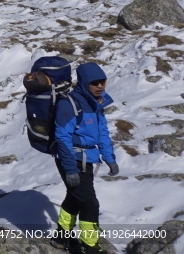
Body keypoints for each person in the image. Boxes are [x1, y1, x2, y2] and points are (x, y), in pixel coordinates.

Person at [52, 62, 118, 254]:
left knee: (74, 197)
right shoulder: (69, 104)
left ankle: (61, 238)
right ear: (83, 83)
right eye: (95, 83)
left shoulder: (97, 103)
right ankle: (90, 247)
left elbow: (103, 133)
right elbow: (62, 137)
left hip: (87, 158)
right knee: (89, 203)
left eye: (102, 82)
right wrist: (70, 169)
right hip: (71, 159)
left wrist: (109, 158)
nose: (100, 86)